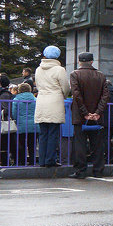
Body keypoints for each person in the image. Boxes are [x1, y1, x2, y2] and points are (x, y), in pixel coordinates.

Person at [69, 52, 111, 179]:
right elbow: (105, 96)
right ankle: (98, 170)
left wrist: (85, 113)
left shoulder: (75, 74)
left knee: (80, 144)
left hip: (80, 116)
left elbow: (76, 95)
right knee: (97, 145)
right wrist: (97, 112)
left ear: (79, 62)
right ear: (92, 61)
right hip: (98, 117)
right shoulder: (101, 75)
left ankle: (80, 171)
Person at [35, 45, 71, 173]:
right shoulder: (59, 69)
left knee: (43, 133)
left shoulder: (38, 69)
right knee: (53, 133)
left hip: (41, 101)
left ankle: (42, 160)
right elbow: (66, 87)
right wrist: (64, 95)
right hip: (55, 101)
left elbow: (38, 85)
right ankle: (50, 159)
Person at [10, 82, 39, 166]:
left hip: (21, 125)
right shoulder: (35, 99)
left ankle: (22, 161)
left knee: (21, 144)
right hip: (34, 124)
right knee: (32, 144)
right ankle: (32, 161)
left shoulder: (16, 100)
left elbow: (14, 113)